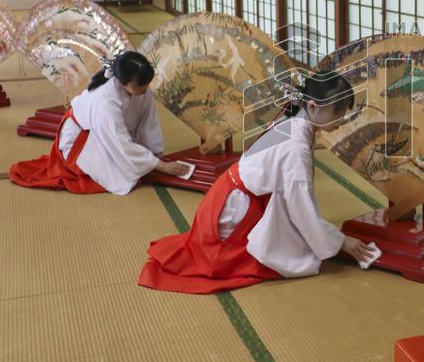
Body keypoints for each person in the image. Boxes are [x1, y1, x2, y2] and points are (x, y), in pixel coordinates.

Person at [138, 70, 378, 294]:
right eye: (337, 112)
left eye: (344, 111)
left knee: (294, 228)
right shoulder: (296, 147)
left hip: (228, 196)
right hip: (234, 212)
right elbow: (301, 208)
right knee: (285, 257)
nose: (343, 119)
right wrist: (340, 241)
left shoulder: (294, 119)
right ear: (313, 107)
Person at [9, 51, 189, 195]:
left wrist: (156, 153)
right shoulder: (104, 100)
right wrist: (159, 166)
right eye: (140, 85)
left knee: (138, 166)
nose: (145, 89)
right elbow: (119, 142)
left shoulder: (140, 88)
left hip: (106, 134)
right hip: (82, 138)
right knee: (123, 178)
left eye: (146, 83)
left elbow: (148, 121)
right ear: (123, 82)